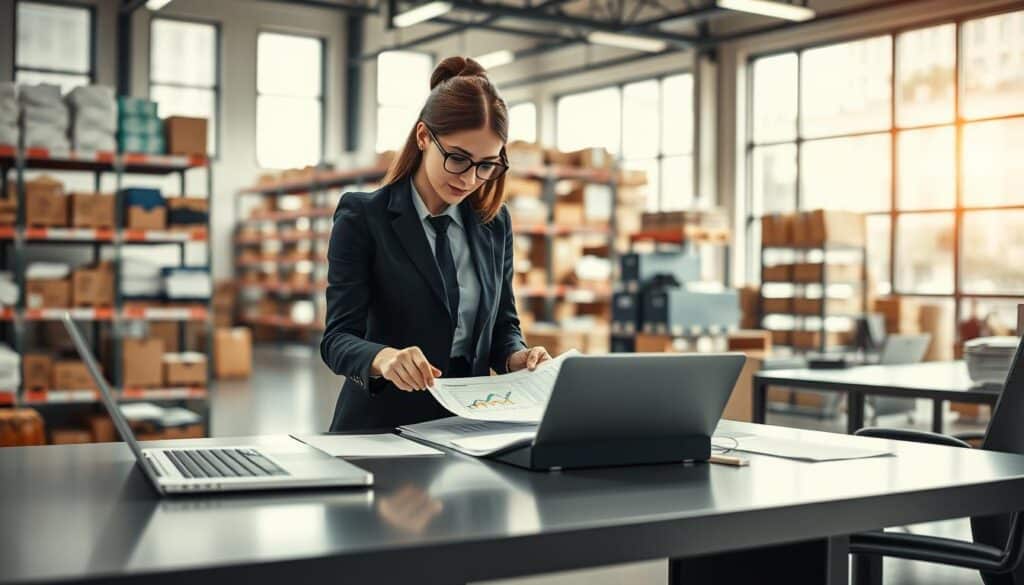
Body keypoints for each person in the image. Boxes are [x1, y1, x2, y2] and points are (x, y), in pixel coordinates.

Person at [321, 56, 552, 432]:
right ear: (424, 137)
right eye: (458, 159)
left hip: (469, 424)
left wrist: (517, 355)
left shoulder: (494, 224)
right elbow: (337, 339)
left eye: (487, 165)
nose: (470, 179)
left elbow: (502, 326)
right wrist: (384, 358)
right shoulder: (364, 217)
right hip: (382, 428)